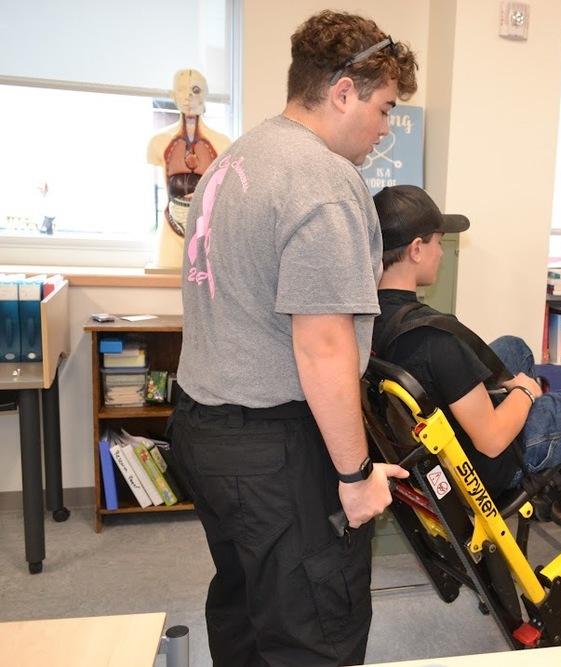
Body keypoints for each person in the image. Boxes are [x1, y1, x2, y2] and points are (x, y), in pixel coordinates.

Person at [167, 11, 418, 665]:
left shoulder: (236, 161)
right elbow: (324, 345)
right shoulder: (322, 181)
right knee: (315, 628)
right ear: (343, 92)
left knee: (247, 609)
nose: (386, 128)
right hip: (274, 446)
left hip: (205, 426)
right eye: (385, 108)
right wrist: (356, 475)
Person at [372, 184, 561, 524]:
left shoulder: (371, 317)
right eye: (438, 242)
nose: (441, 253)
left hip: (440, 441)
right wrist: (526, 392)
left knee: (514, 346)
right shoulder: (434, 340)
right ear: (415, 249)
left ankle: (552, 461)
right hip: (492, 462)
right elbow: (492, 440)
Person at [148, 69, 232, 269]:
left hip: (206, 230)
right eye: (182, 90)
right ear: (173, 95)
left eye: (195, 90)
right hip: (171, 227)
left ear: (205, 94)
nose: (188, 97)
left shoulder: (222, 143)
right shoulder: (158, 142)